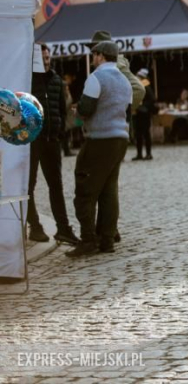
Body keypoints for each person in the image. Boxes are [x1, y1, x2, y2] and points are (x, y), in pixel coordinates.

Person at [66, 39, 132, 257]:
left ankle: (88, 240)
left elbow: (86, 108)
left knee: (85, 189)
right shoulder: (124, 81)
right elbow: (128, 112)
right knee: (108, 191)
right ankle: (107, 240)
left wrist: (75, 114)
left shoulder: (96, 78)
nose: (92, 57)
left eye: (94, 54)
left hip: (99, 139)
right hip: (120, 138)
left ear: (101, 56)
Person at [25, 44, 79, 245]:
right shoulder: (27, 81)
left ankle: (63, 228)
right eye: (43, 58)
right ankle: (35, 226)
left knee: (56, 186)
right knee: (29, 186)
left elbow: (62, 111)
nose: (47, 61)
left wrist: (60, 134)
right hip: (33, 141)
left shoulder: (57, 80)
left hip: (52, 141)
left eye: (48, 58)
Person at [132, 68, 156, 160]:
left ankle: (148, 154)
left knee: (145, 133)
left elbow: (152, 99)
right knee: (138, 134)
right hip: (138, 112)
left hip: (144, 113)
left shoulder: (145, 84)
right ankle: (139, 154)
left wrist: (143, 106)